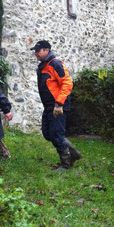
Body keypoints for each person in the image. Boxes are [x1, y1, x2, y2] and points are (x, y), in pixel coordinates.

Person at [31, 40, 82, 171]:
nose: (36, 53)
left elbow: (67, 83)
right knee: (48, 133)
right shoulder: (43, 66)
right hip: (48, 106)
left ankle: (66, 164)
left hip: (58, 106)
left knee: (57, 135)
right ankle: (74, 153)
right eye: (35, 51)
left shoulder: (55, 64)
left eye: (38, 51)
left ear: (46, 50)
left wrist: (59, 103)